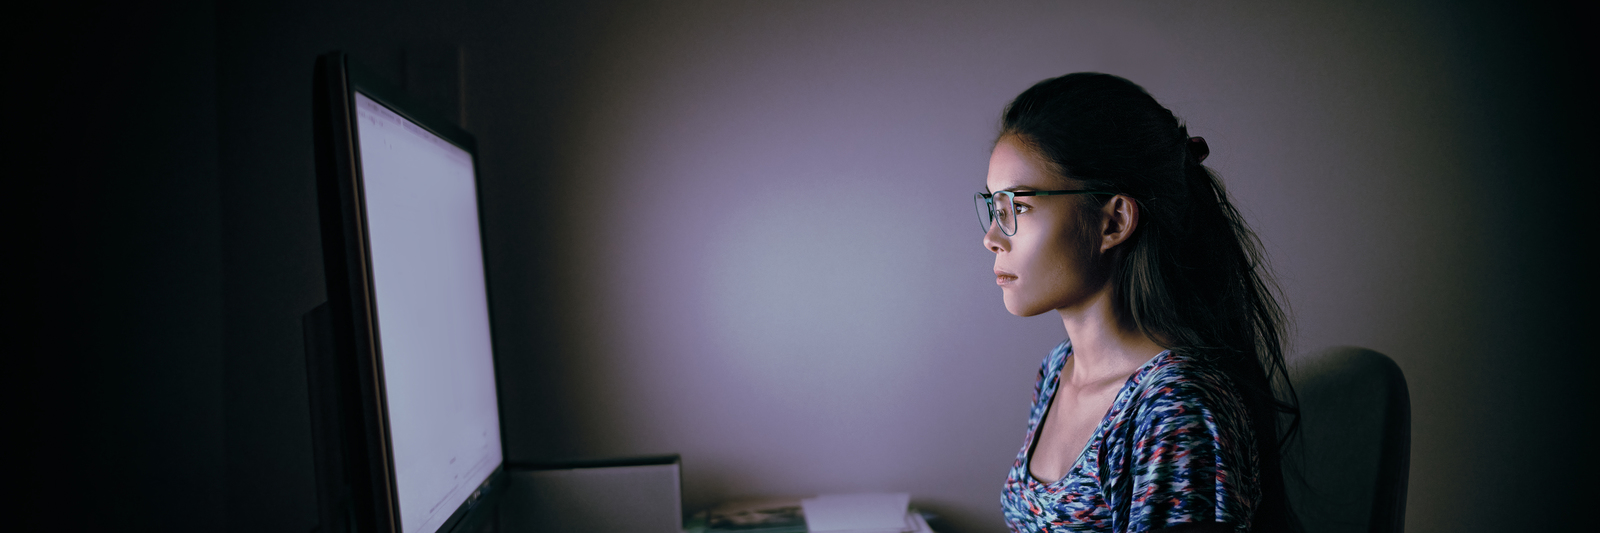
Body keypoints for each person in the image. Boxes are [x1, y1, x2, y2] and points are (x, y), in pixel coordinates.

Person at [980, 73, 1300, 533]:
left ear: (1114, 221)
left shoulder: (1173, 409)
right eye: (993, 207)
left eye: (1019, 207)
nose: (992, 238)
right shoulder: (1057, 370)